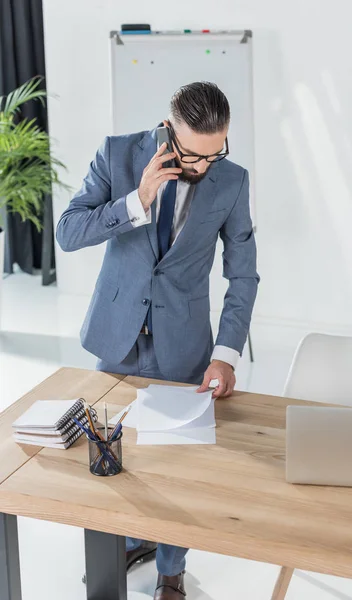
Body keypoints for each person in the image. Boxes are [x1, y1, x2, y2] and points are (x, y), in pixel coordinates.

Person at [56, 81, 259, 600]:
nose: (203, 165)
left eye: (216, 154)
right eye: (193, 154)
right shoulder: (117, 154)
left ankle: (171, 568)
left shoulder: (233, 181)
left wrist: (226, 354)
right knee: (108, 451)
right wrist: (136, 199)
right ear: (168, 131)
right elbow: (69, 231)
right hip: (116, 336)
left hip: (185, 341)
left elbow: (243, 276)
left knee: (177, 463)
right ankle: (123, 544)